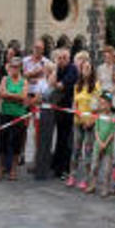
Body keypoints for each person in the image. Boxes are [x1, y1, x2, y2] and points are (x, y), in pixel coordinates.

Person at [69, 53, 101, 190]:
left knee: (88, 151)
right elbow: (74, 104)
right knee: (76, 149)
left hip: (90, 123)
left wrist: (91, 121)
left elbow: (97, 106)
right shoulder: (77, 86)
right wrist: (78, 115)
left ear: (92, 70)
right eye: (83, 68)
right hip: (78, 122)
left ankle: (87, 178)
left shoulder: (96, 86)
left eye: (88, 68)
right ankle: (72, 175)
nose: (85, 71)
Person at [48, 48, 79, 180]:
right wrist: (55, 68)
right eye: (59, 58)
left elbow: (59, 85)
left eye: (64, 58)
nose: (61, 60)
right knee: (60, 137)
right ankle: (57, 165)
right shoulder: (58, 69)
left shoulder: (72, 69)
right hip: (59, 108)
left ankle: (65, 168)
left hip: (69, 108)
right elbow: (51, 83)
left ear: (69, 58)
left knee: (66, 140)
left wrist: (56, 81)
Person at [0, 58, 28, 182]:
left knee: (17, 142)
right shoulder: (5, 79)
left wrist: (10, 95)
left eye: (16, 67)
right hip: (5, 113)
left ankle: (13, 169)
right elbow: (2, 94)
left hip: (18, 114)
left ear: (20, 68)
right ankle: (0, 166)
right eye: (12, 67)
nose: (14, 69)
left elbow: (24, 96)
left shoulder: (24, 81)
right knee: (3, 140)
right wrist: (16, 97)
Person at [86, 86, 115, 196]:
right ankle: (92, 184)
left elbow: (113, 132)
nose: (102, 105)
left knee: (107, 169)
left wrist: (106, 143)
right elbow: (96, 129)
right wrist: (99, 142)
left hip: (108, 146)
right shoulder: (98, 116)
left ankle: (106, 188)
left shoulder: (113, 117)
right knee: (94, 166)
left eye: (104, 103)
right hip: (98, 145)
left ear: (109, 104)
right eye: (101, 103)